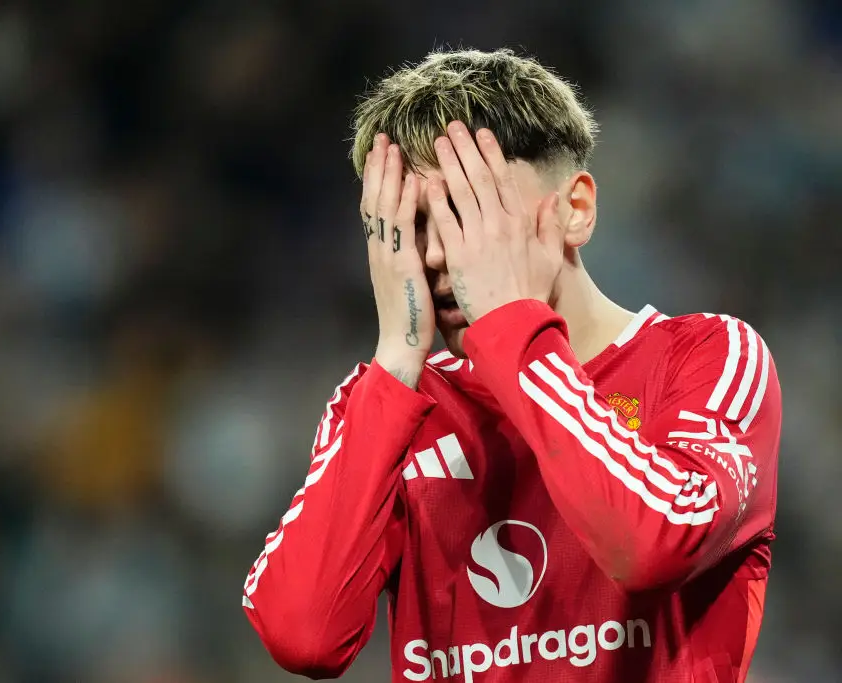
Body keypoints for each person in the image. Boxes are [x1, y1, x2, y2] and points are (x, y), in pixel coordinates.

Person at [242, 48, 781, 683]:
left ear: (574, 210)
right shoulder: (394, 405)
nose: (438, 253)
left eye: (468, 210)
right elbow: (303, 636)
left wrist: (509, 327)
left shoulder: (707, 357)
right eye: (412, 226)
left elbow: (652, 545)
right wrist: (394, 361)